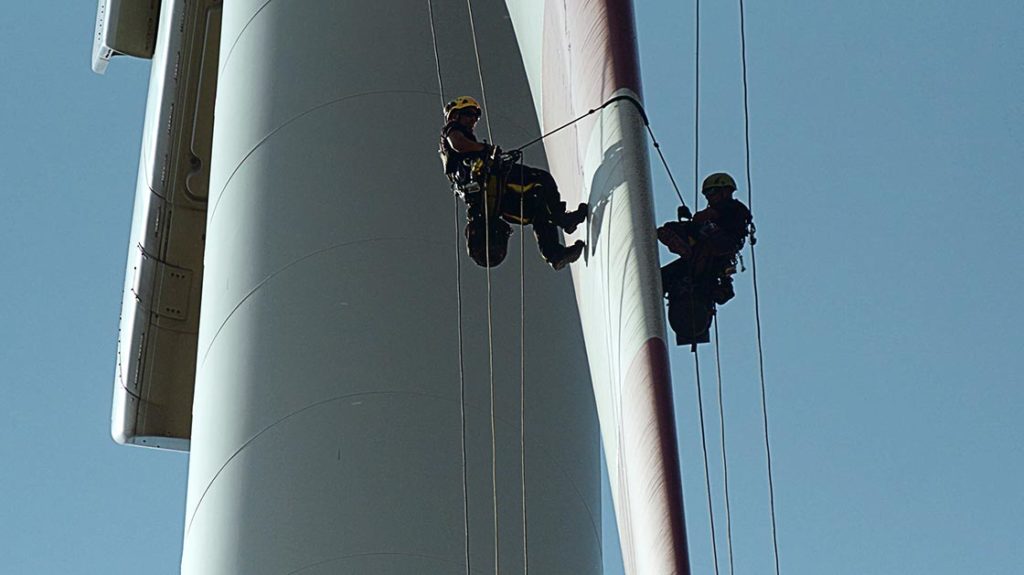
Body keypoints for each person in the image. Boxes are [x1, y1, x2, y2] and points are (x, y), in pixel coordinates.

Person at [439, 96, 587, 270]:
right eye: (469, 114)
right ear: (455, 115)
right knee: (542, 179)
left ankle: (555, 254)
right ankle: (563, 219)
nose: (473, 120)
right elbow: (459, 145)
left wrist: (500, 158)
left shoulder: (469, 146)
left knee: (537, 207)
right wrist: (486, 149)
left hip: (493, 199)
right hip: (489, 184)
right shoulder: (452, 129)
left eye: (475, 117)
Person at [658, 172, 753, 347]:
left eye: (712, 193)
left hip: (713, 248)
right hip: (711, 257)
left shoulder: (731, 207)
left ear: (725, 191)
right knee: (665, 276)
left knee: (668, 232)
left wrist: (692, 225)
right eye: (707, 195)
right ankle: (688, 250)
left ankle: (687, 249)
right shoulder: (735, 211)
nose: (709, 197)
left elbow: (703, 217)